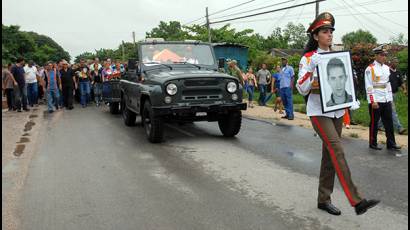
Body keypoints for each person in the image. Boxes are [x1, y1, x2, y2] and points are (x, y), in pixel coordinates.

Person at [296, 12, 379, 216]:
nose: (330, 35)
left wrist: (351, 100)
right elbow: (301, 88)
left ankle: (323, 199)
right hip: (319, 112)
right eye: (325, 31)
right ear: (315, 36)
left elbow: (346, 80)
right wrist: (313, 67)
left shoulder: (338, 56)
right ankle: (357, 200)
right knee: (337, 150)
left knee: (329, 156)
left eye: (331, 31)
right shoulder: (308, 58)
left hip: (337, 111)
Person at [365, 46, 401, 151]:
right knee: (374, 122)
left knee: (388, 122)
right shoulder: (370, 68)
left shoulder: (386, 68)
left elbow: (388, 84)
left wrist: (389, 99)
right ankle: (373, 142)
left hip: (386, 99)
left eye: (385, 55)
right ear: (376, 55)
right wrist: (373, 101)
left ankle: (391, 143)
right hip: (376, 99)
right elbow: (368, 86)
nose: (383, 57)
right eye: (381, 55)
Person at [377, 58, 407, 134]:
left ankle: (379, 125)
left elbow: (402, 82)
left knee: (386, 110)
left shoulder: (398, 72)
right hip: (387, 94)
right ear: (391, 63)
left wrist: (404, 90)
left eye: (397, 62)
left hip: (394, 94)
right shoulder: (387, 71)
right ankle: (399, 128)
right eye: (395, 62)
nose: (396, 63)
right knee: (393, 111)